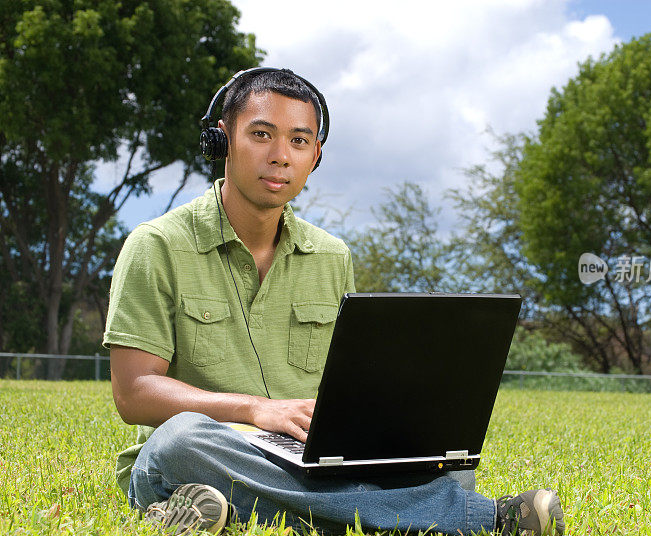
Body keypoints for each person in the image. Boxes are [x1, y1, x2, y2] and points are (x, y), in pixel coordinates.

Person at [104, 68, 565, 536]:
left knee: (448, 466)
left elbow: (348, 388)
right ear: (222, 140)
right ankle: (479, 518)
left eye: (299, 141)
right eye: (261, 135)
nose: (280, 156)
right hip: (213, 447)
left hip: (305, 457)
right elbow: (134, 393)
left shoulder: (332, 256)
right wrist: (255, 410)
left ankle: (222, 511)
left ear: (316, 155)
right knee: (179, 442)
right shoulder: (156, 244)